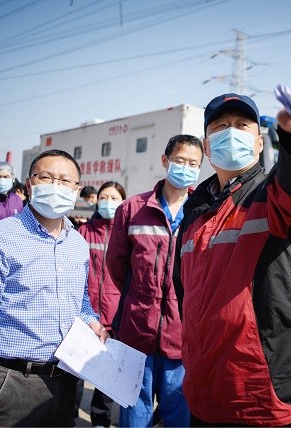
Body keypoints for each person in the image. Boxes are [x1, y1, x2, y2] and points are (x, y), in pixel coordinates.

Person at [173, 64, 291, 426]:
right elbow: (186, 298)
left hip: (263, 400)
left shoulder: (271, 195)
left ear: (260, 143)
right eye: (219, 126)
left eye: (242, 126)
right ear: (207, 145)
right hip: (204, 395)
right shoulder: (195, 212)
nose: (231, 133)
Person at [0, 149, 109, 427]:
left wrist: (91, 321)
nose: (56, 186)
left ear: (77, 189)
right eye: (46, 177)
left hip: (65, 379)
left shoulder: (77, 244)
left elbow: (79, 299)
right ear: (30, 183)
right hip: (11, 382)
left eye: (65, 180)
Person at [106, 134, 203, 427]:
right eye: (180, 160)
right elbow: (115, 270)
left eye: (193, 164)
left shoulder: (202, 213)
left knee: (180, 415)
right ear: (165, 161)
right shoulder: (132, 209)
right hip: (137, 334)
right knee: (134, 414)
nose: (185, 168)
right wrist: (112, 321)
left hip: (183, 336)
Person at [77, 180, 126, 427]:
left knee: (107, 373)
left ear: (124, 201)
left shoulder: (126, 232)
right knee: (75, 369)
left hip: (116, 312)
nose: (108, 203)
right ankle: (69, 416)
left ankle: (100, 420)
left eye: (115, 198)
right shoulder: (84, 231)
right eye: (104, 197)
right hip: (85, 312)